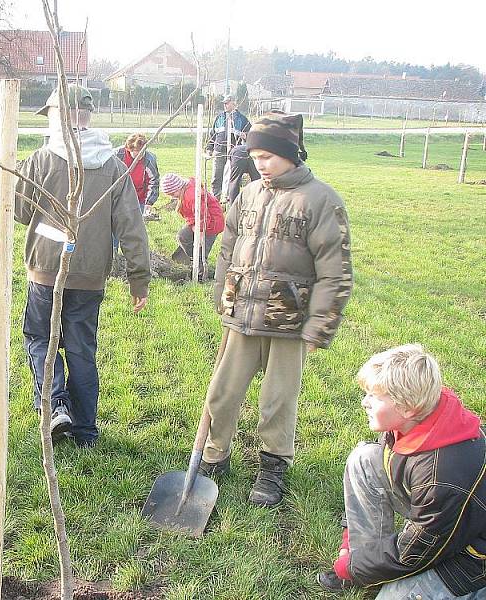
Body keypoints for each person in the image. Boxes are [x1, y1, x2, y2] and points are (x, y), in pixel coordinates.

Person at [199, 111, 353, 507]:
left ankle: (273, 466)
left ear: (291, 153)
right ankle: (215, 456)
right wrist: (223, 293)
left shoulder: (320, 200)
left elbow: (335, 272)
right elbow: (229, 246)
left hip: (289, 319)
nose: (259, 164)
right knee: (222, 393)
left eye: (267, 156)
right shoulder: (249, 194)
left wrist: (320, 325)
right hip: (241, 315)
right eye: (255, 156)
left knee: (277, 401)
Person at [16, 85, 151, 448]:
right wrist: (139, 280)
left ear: (59, 116)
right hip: (90, 276)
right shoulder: (113, 165)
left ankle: (55, 404)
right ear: (88, 116)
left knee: (40, 338)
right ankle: (85, 432)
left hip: (45, 269)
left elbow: (20, 212)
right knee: (81, 349)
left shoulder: (41, 160)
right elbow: (131, 227)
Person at [317, 344, 486, 599]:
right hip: (447, 526)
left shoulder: (442, 480)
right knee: (364, 460)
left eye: (374, 396)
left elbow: (414, 553)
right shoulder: (418, 417)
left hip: (474, 558)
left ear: (408, 408)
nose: (365, 402)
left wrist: (350, 566)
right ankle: (367, 569)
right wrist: (354, 552)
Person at [161, 173, 224, 279]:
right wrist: (193, 224)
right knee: (183, 236)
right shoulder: (185, 192)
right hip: (199, 221)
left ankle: (201, 272)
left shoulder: (192, 196)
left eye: (172, 193)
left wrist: (199, 232)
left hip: (211, 224)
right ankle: (192, 258)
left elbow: (203, 215)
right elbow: (193, 214)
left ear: (178, 188)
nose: (172, 197)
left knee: (201, 249)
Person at [206, 94, 251, 199]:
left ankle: (229, 199)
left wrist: (245, 136)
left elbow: (251, 133)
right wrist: (209, 148)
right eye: (224, 104)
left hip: (234, 153)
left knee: (232, 177)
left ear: (234, 103)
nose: (225, 105)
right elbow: (213, 134)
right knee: (216, 177)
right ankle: (215, 199)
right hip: (219, 151)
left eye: (227, 103)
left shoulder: (242, 119)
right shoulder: (219, 118)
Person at [115, 133, 160, 218]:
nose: (140, 155)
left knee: (137, 227)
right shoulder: (118, 155)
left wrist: (149, 203)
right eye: (137, 153)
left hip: (139, 199)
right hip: (119, 198)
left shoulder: (149, 160)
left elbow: (153, 182)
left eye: (142, 152)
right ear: (128, 149)